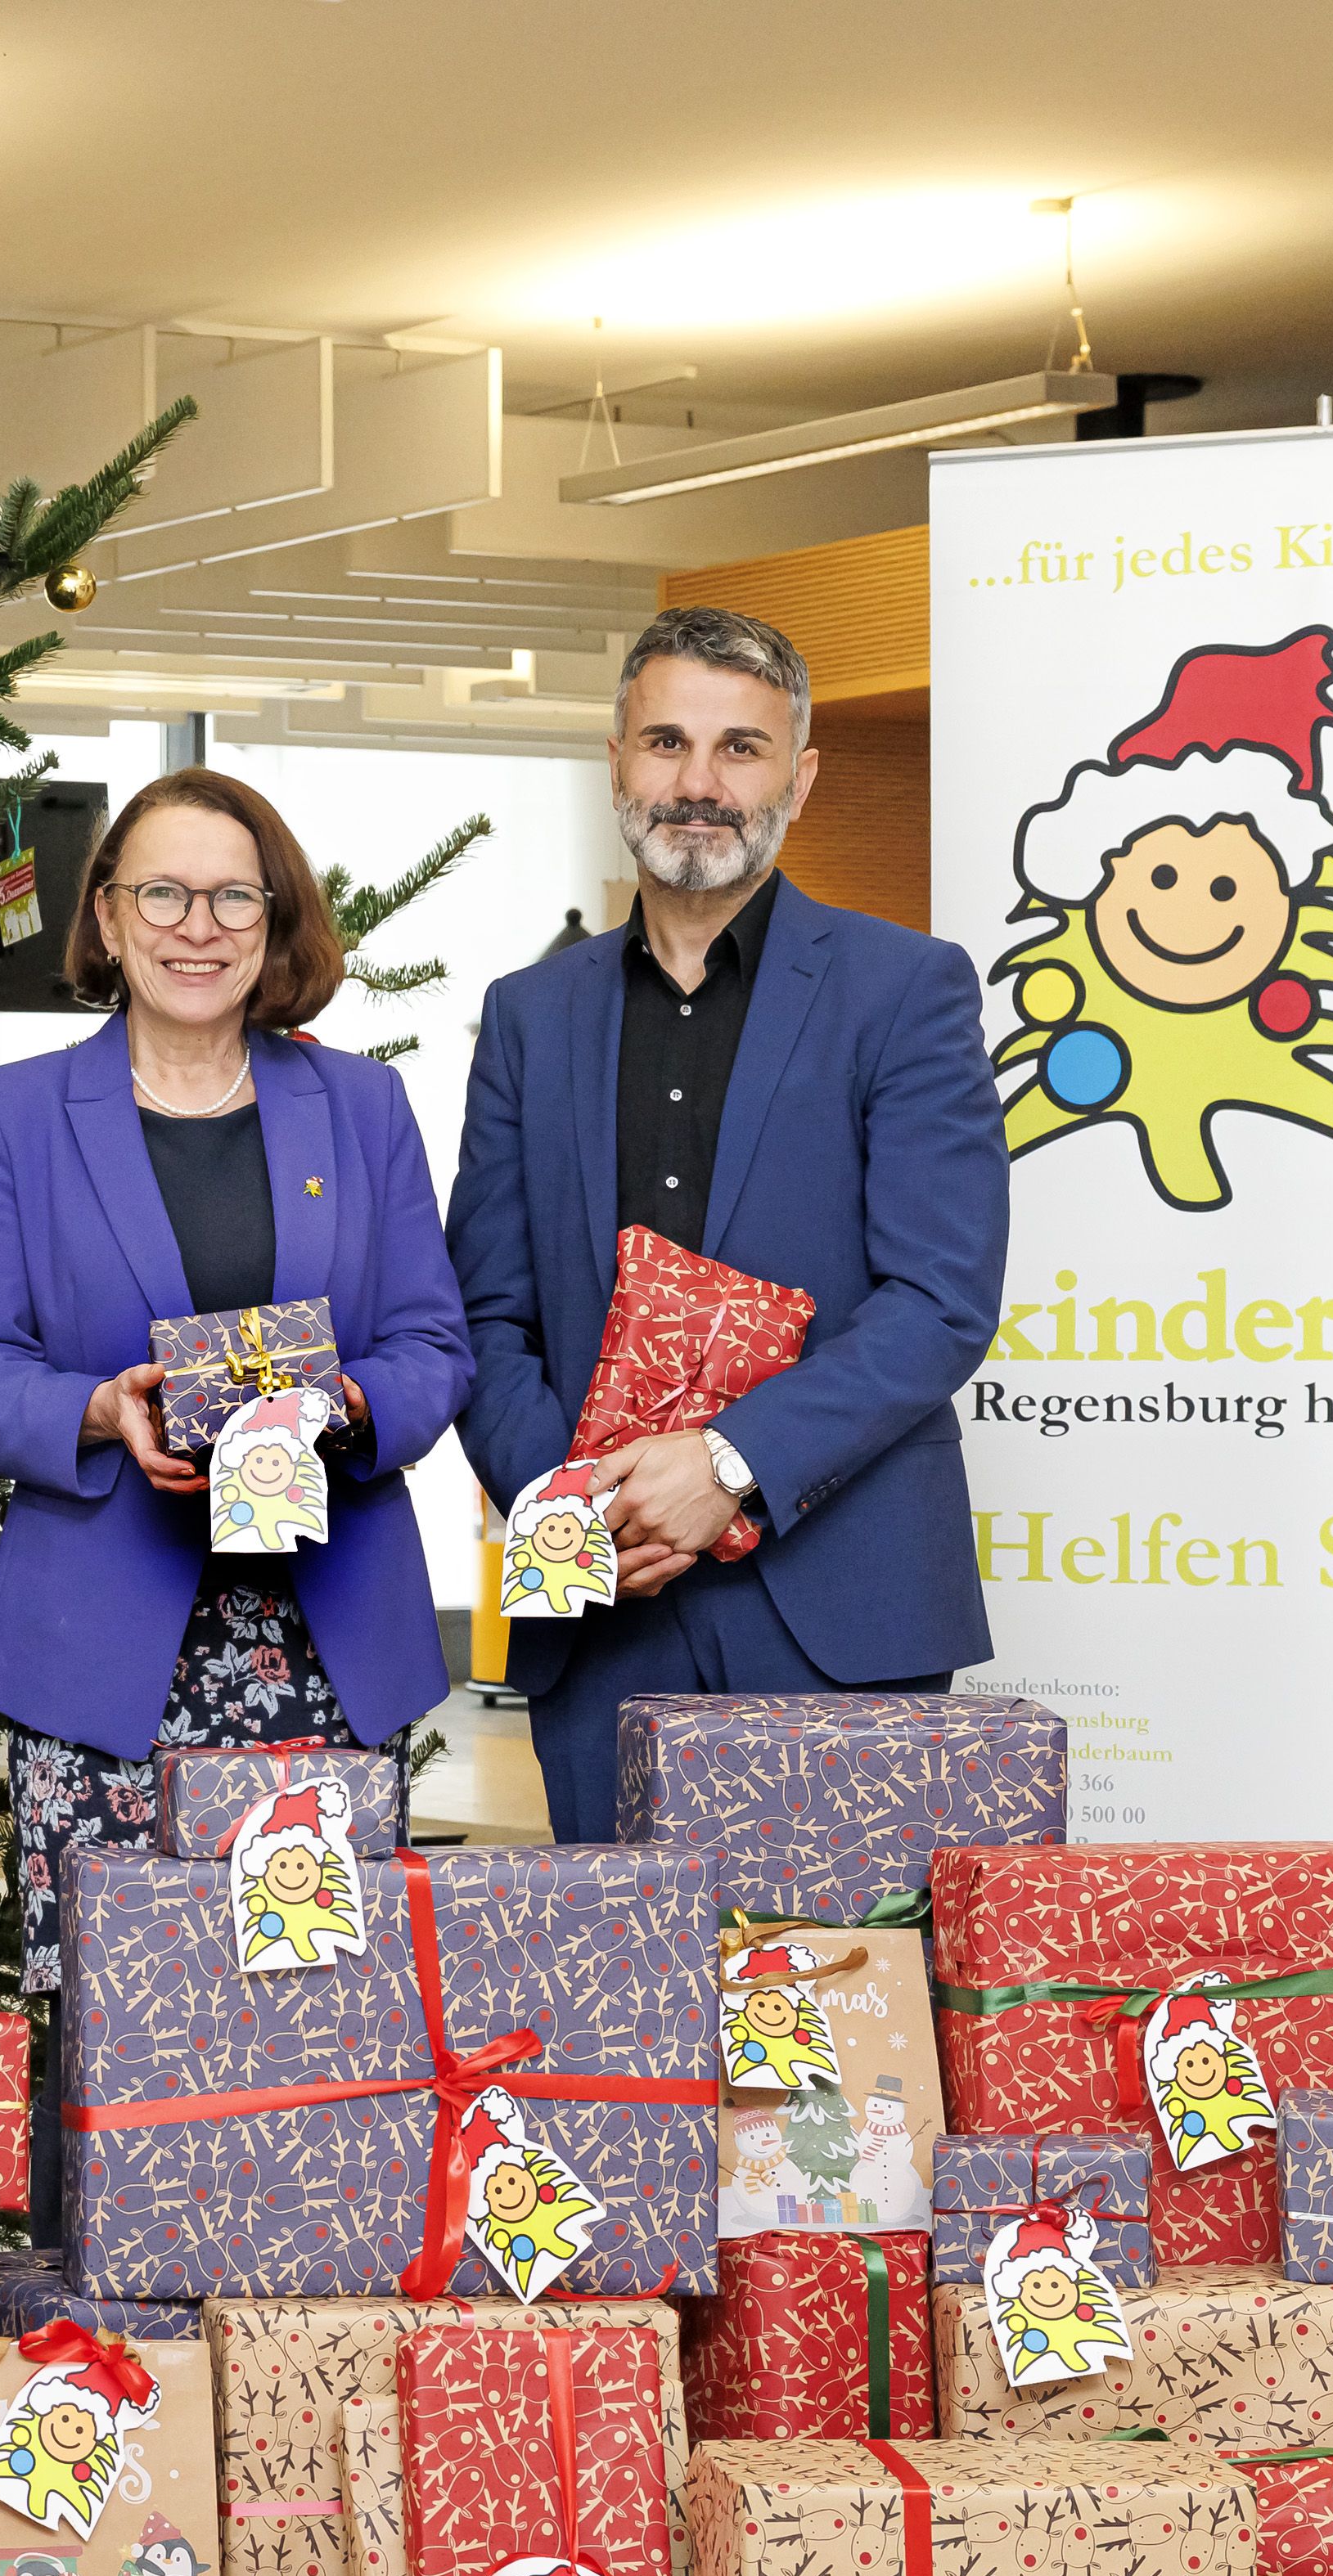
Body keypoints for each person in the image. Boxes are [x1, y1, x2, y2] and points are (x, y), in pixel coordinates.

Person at [444, 605, 1008, 1840]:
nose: (699, 785)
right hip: (599, 1614)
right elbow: (483, 1310)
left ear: (800, 779)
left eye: (741, 749)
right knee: (621, 2019)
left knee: (835, 2012)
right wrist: (574, 1499)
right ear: (616, 764)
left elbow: (941, 1301)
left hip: (840, 1609)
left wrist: (725, 1463)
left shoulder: (906, 990)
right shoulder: (532, 1013)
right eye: (666, 743)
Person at [0, 767, 470, 1998]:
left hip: (326, 1646)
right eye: (162, 892)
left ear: (275, 925)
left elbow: (435, 1345)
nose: (197, 925)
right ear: (107, 918)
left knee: (323, 2025)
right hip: (99, 1654)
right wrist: (97, 1410)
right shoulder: (13, 1115)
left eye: (234, 897)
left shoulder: (364, 1106)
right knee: (116, 2027)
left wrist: (346, 1405)